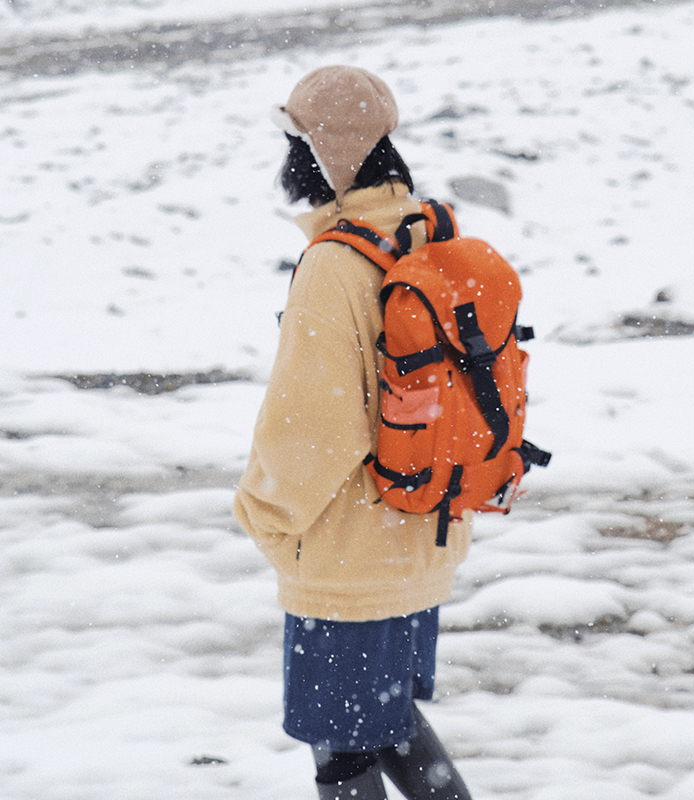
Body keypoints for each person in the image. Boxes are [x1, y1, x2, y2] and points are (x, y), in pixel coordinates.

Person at [233, 65, 473, 800]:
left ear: (316, 153)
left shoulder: (335, 265)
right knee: (388, 720)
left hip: (346, 559)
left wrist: (265, 518)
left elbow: (312, 427)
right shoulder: (426, 231)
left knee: (342, 749)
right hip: (422, 528)